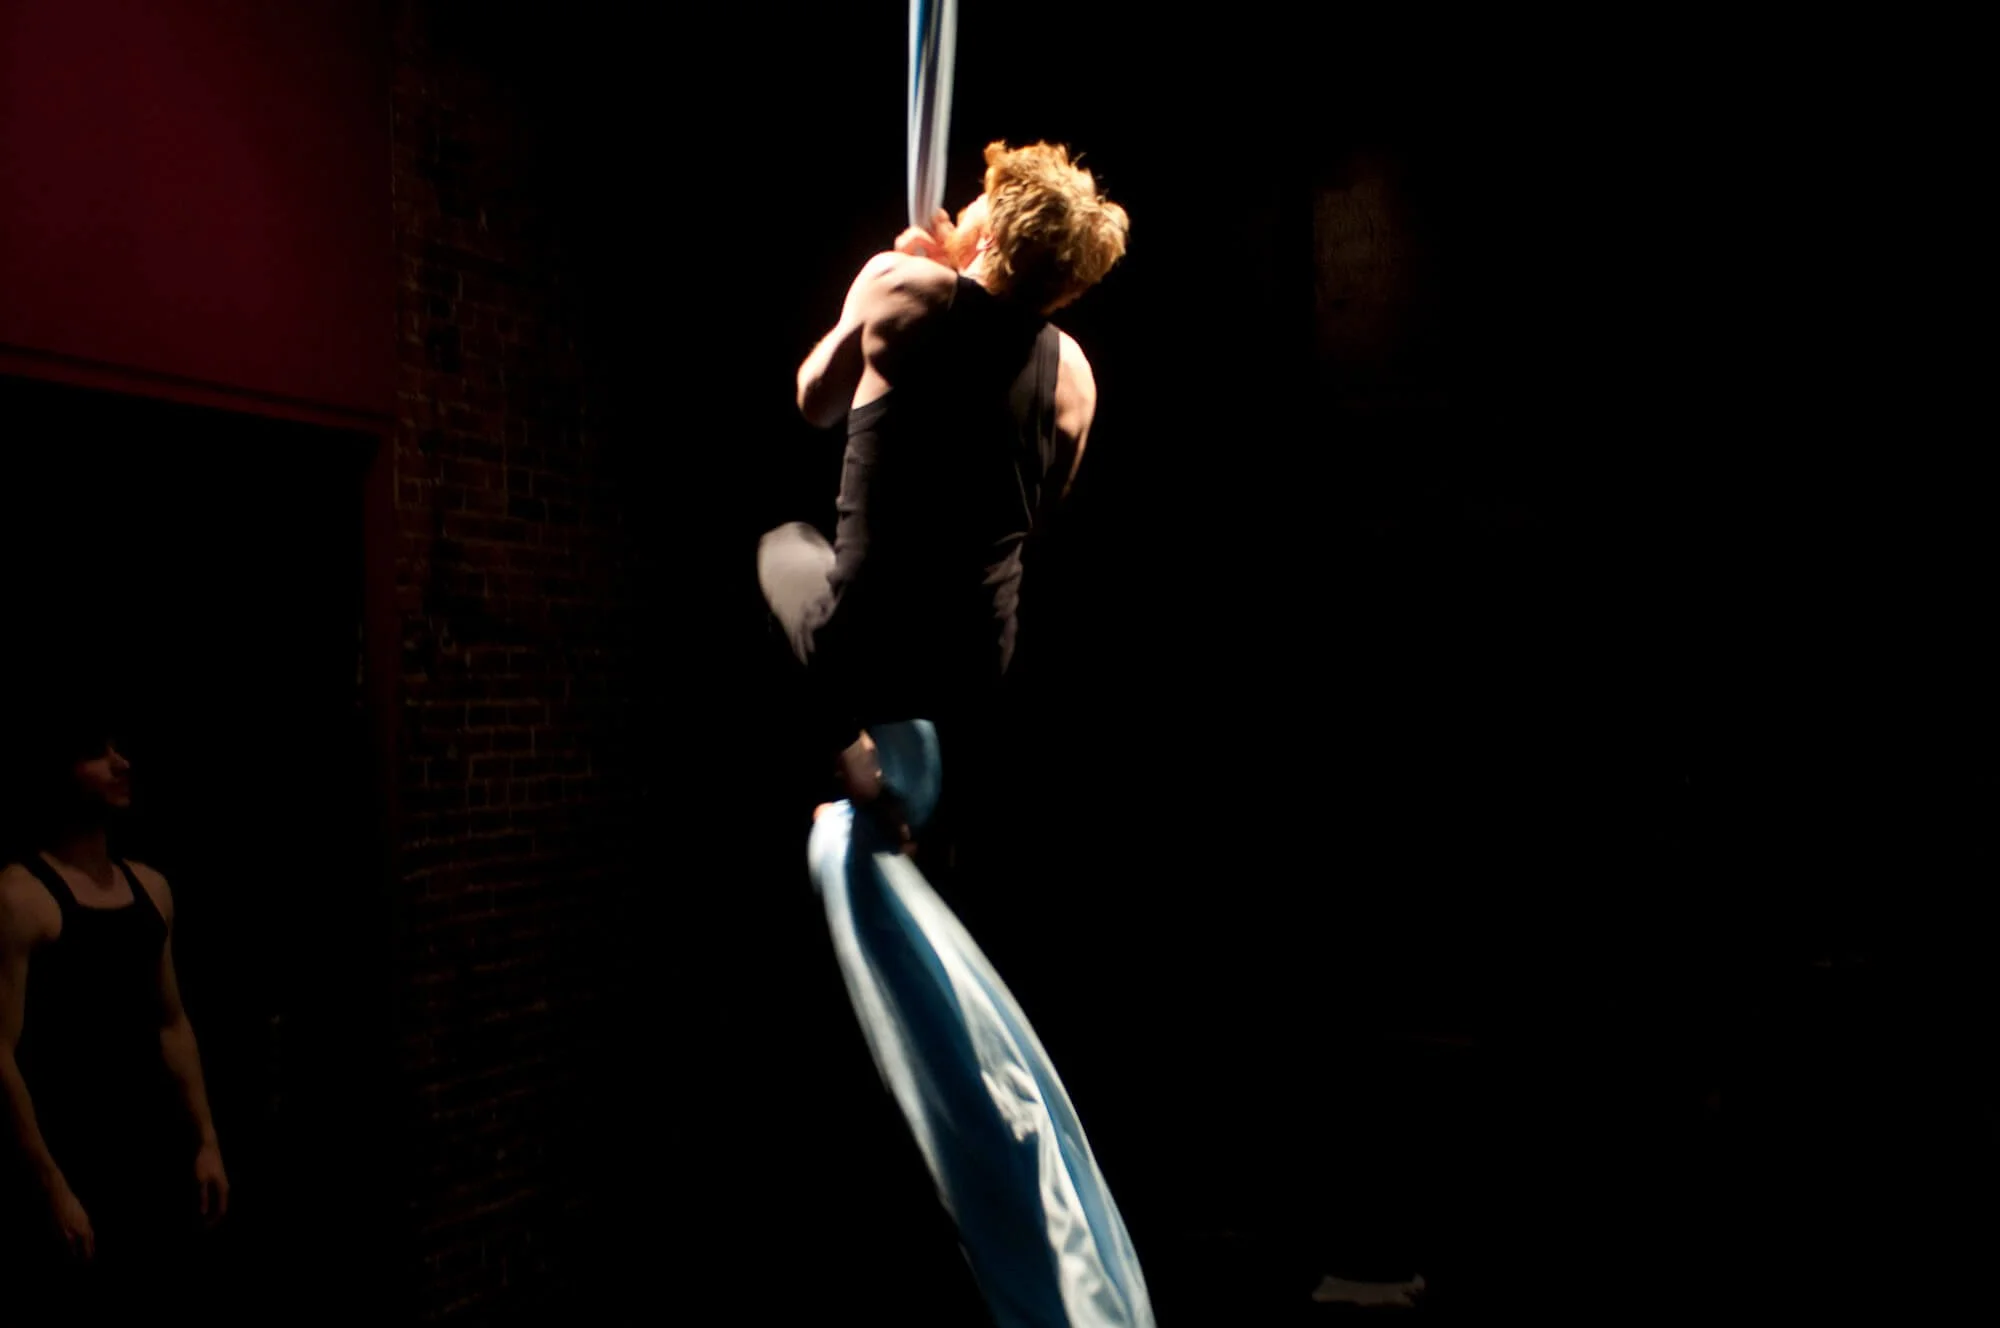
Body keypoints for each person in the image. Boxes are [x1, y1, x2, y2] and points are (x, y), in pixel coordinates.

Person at [757, 139, 1129, 855]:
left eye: (976, 203)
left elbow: (812, 401)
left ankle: (852, 758)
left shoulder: (899, 286)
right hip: (973, 666)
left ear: (992, 233)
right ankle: (909, 813)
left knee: (783, 550)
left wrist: (894, 277)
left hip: (861, 646)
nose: (959, 210)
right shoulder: (1076, 377)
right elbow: (1042, 516)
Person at [0, 694, 229, 1319]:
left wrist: (206, 1141)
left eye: (118, 750)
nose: (120, 763)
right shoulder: (24, 898)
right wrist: (52, 1186)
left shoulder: (150, 888)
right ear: (62, 773)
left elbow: (172, 1022)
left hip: (152, 1159)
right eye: (97, 754)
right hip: (77, 1159)